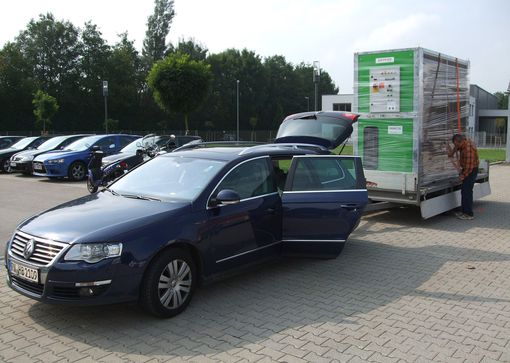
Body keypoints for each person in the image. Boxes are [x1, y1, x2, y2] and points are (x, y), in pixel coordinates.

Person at [447, 134, 479, 220]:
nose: (456, 146)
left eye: (457, 144)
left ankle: (468, 214)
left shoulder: (468, 150)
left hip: (471, 170)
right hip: (467, 168)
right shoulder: (462, 142)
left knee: (467, 192)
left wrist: (462, 176)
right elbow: (456, 147)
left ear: (461, 141)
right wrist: (452, 153)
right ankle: (464, 211)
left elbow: (469, 167)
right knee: (464, 191)